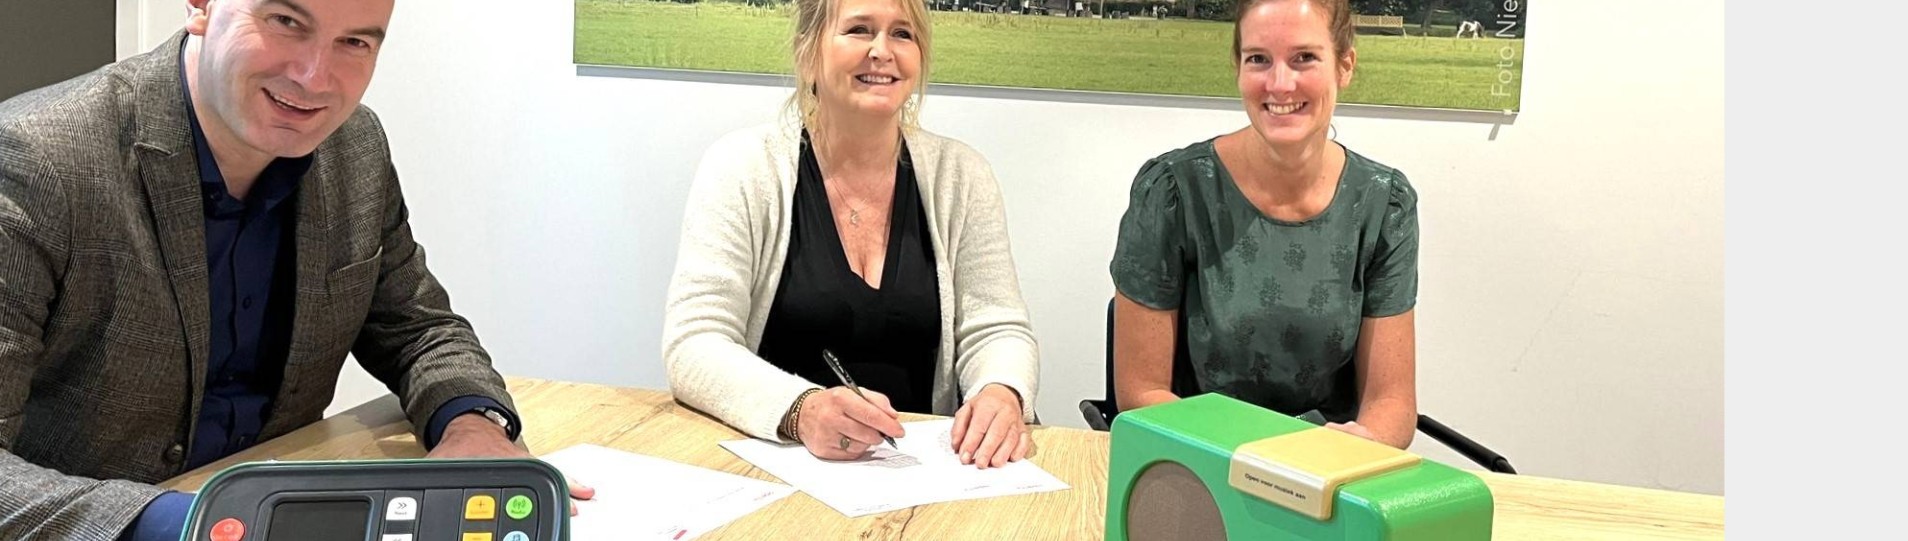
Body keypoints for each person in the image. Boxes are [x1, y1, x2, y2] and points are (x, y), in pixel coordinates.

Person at [0, 1, 590, 538]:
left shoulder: (353, 147)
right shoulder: (38, 161)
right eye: (286, 22)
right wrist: (188, 524)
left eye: (355, 43)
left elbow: (417, 327)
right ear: (201, 6)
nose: (315, 78)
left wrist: (471, 422)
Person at [662, 0, 1038, 469]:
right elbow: (694, 343)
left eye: (903, 34)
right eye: (859, 30)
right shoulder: (742, 168)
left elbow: (998, 327)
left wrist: (1001, 391)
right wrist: (801, 410)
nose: (882, 51)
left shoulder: (962, 176)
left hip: (924, 474)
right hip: (772, 467)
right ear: (807, 52)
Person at [1109, 0, 1420, 448]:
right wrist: (1257, 466)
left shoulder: (1383, 205)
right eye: (1258, 59)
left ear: (1345, 65)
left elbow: (1391, 405)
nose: (1279, 83)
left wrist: (1352, 452)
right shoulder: (1173, 191)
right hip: (1203, 462)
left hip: (1328, 470)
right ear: (1238, 67)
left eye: (1304, 58)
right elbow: (1140, 393)